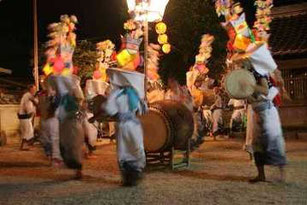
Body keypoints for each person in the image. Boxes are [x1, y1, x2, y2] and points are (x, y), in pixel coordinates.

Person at [103, 68, 147, 186]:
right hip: (134, 124)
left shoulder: (116, 94)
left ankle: (127, 178)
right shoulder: (136, 93)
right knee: (136, 147)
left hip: (122, 125)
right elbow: (142, 111)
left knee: (124, 150)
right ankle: (136, 173)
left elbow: (110, 109)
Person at [48, 74, 85, 179]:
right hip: (63, 124)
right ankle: (75, 168)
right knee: (65, 146)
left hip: (72, 124)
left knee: (74, 146)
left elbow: (77, 107)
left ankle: (78, 170)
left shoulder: (70, 98)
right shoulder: (59, 97)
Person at [18, 85, 38, 150]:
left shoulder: (27, 95)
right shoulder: (28, 95)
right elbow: (35, 102)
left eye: (35, 89)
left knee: (27, 131)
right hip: (25, 116)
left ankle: (24, 146)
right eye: (34, 89)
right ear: (30, 89)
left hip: (24, 116)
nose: (35, 90)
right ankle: (23, 146)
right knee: (28, 131)